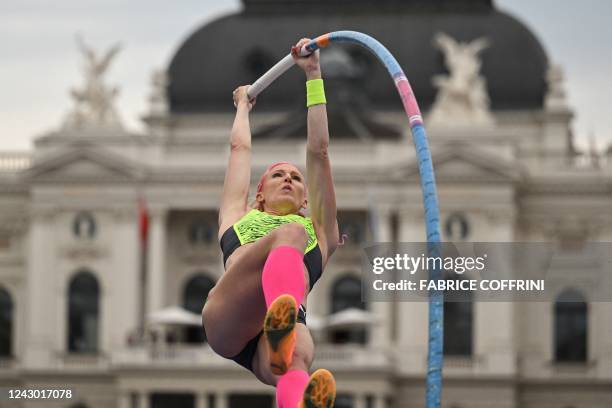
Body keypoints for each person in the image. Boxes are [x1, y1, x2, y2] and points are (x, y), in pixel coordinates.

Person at [202, 38, 339, 408]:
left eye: (296, 178)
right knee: (289, 235)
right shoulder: (239, 215)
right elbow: (239, 150)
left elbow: (319, 152)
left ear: (306, 199)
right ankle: (283, 323)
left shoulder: (321, 233)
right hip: (231, 316)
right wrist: (243, 108)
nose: (290, 180)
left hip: (273, 338)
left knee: (299, 358)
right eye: (278, 175)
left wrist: (313, 74)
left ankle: (290, 383)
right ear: (258, 194)